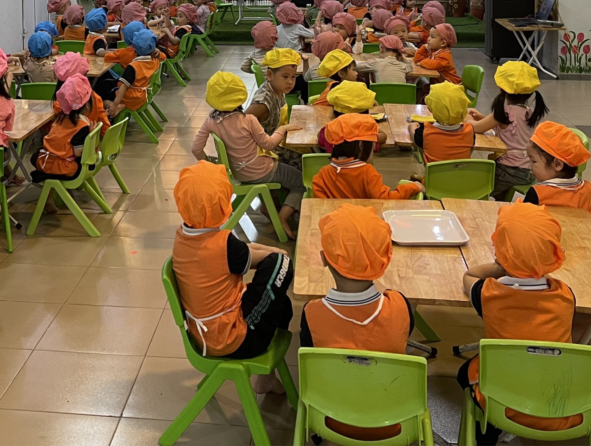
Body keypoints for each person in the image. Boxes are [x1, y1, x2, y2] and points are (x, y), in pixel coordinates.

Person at [459, 204, 591, 446]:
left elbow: (470, 275)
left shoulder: (487, 294)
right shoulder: (564, 295)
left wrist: (500, 266)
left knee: (466, 372)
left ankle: (488, 431)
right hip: (563, 408)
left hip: (503, 405)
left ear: (499, 250)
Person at [172, 161, 293, 393]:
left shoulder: (184, 236)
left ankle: (267, 378)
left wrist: (274, 252)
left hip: (207, 334)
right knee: (281, 265)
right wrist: (280, 255)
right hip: (232, 339)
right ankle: (264, 371)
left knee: (282, 303)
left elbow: (246, 250)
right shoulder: (223, 245)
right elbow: (257, 258)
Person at [300, 205, 416, 441]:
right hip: (395, 424)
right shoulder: (400, 306)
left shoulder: (312, 314)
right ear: (384, 260)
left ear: (324, 259)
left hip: (330, 421)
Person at [192, 71, 302, 239]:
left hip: (238, 173)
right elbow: (269, 144)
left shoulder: (210, 121)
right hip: (263, 171)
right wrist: (283, 129)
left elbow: (196, 149)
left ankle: (272, 207)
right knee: (301, 181)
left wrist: (211, 164)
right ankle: (282, 217)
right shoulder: (249, 120)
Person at [466, 61, 547, 202]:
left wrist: (467, 118)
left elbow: (475, 128)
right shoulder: (530, 112)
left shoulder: (505, 112)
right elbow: (509, 129)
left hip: (508, 170)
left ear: (501, 88)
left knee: (476, 189)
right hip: (528, 170)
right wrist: (483, 118)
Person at [312, 115, 422, 200]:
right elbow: (385, 199)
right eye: (372, 147)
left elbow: (320, 205)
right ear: (361, 146)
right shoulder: (367, 172)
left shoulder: (322, 174)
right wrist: (413, 187)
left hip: (336, 221)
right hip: (363, 220)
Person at [517, 122, 591, 217]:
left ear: (557, 164)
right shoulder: (589, 190)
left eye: (533, 161)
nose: (529, 166)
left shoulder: (537, 193)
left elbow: (521, 219)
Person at [32, 73, 96, 184]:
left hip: (45, 161)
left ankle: (49, 179)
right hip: (65, 168)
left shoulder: (59, 118)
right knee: (82, 162)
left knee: (35, 155)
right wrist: (90, 136)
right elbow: (78, 153)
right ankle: (56, 181)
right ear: (87, 104)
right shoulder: (82, 125)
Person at [413, 82, 474, 164]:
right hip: (461, 172)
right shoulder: (470, 131)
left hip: (433, 173)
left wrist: (412, 126)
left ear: (430, 108)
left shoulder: (424, 131)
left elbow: (415, 139)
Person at [107, 28, 162, 120]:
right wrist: (157, 53)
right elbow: (159, 60)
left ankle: (118, 107)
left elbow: (124, 86)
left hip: (132, 99)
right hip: (144, 96)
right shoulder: (155, 62)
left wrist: (115, 104)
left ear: (134, 48)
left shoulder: (133, 67)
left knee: (104, 97)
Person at [246, 47, 300, 138]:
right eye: (285, 76)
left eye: (293, 76)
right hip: (267, 145)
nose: (290, 81)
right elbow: (240, 123)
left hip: (280, 138)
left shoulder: (279, 88)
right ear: (269, 75)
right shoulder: (263, 102)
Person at [53, 53, 110, 130]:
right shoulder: (95, 98)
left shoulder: (59, 105)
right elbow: (105, 128)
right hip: (94, 136)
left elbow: (58, 131)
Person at [316, 81, 378, 150]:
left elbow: (320, 138)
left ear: (334, 111)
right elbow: (383, 137)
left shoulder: (330, 129)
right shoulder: (368, 129)